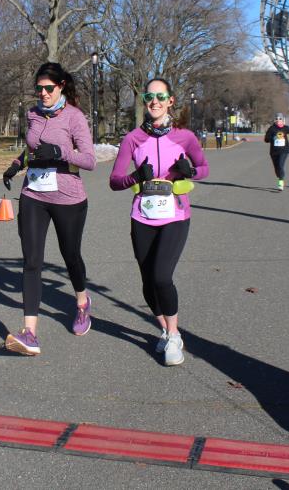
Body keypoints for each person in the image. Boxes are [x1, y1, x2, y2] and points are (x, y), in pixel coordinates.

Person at [109, 79, 208, 366]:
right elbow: (115, 181)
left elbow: (203, 168)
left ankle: (175, 336)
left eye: (160, 96)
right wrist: (136, 176)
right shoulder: (132, 138)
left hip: (175, 215)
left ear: (170, 100)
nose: (155, 101)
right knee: (148, 281)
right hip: (142, 216)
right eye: (149, 96)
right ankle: (164, 330)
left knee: (162, 276)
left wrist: (188, 171)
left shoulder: (185, 136)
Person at [1, 62, 96, 356]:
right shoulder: (32, 114)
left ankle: (82, 302)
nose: (43, 93)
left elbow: (89, 160)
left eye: (48, 88)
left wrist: (60, 152)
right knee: (32, 261)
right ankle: (29, 333)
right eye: (39, 88)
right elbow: (32, 149)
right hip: (33, 194)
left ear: (61, 86)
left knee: (71, 257)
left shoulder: (74, 117)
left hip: (68, 197)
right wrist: (16, 164)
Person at [264, 113, 289, 191]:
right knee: (277, 168)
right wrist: (273, 138)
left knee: (280, 165)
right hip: (274, 151)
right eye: (277, 119)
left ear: (282, 120)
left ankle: (281, 182)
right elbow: (266, 139)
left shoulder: (286, 128)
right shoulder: (272, 128)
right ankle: (280, 176)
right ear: (275, 120)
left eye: (280, 119)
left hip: (284, 150)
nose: (278, 120)